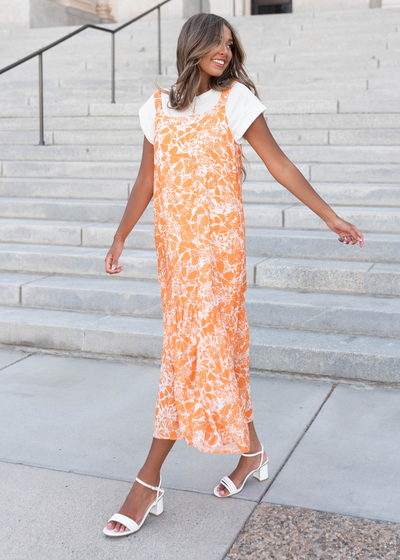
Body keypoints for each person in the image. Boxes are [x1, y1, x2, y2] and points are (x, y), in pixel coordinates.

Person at [103, 13, 364, 537]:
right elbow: (145, 179)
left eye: (229, 43)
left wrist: (329, 215)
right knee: (212, 351)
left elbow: (280, 163)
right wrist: (120, 234)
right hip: (176, 256)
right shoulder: (156, 109)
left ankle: (148, 481)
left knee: (190, 353)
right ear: (191, 46)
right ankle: (252, 454)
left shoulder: (236, 101)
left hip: (218, 256)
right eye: (215, 43)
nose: (224, 51)